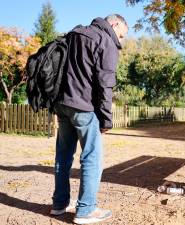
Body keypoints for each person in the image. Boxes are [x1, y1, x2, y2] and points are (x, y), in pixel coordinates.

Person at [49, 14, 128, 224]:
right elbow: (105, 85)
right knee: (92, 157)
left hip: (62, 104)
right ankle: (86, 210)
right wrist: (106, 120)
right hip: (84, 107)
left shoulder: (74, 33)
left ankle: (59, 204)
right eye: (121, 35)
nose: (120, 40)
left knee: (63, 156)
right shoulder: (105, 40)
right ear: (115, 24)